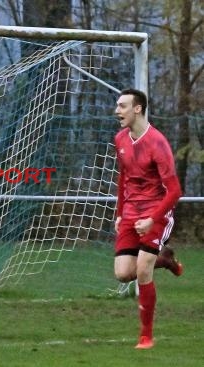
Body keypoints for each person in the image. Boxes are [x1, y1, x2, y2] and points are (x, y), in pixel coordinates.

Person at [113, 88, 183, 350]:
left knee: (143, 269)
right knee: (122, 274)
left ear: (137, 109)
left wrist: (153, 219)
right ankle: (165, 260)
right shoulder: (120, 139)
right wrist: (120, 213)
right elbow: (123, 178)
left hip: (157, 213)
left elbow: (175, 191)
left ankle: (146, 336)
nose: (117, 111)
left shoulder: (158, 143)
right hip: (130, 214)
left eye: (122, 106)